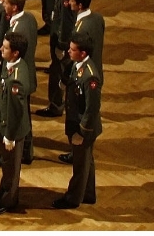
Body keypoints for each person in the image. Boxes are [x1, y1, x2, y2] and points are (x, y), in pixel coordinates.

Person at [53, 35, 102, 209]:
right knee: (86, 161)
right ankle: (87, 193)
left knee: (80, 165)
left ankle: (73, 198)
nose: (68, 51)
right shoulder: (78, 65)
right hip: (76, 122)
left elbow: (92, 109)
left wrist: (81, 132)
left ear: (82, 53)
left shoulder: (90, 77)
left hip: (84, 128)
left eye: (72, 50)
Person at [0, 31, 32, 215]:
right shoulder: (11, 64)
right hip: (5, 125)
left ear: (15, 53)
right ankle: (3, 189)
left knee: (12, 167)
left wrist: (10, 135)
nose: (1, 49)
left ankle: (9, 200)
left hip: (12, 129)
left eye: (5, 47)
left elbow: (16, 111)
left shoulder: (17, 80)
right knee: (6, 163)